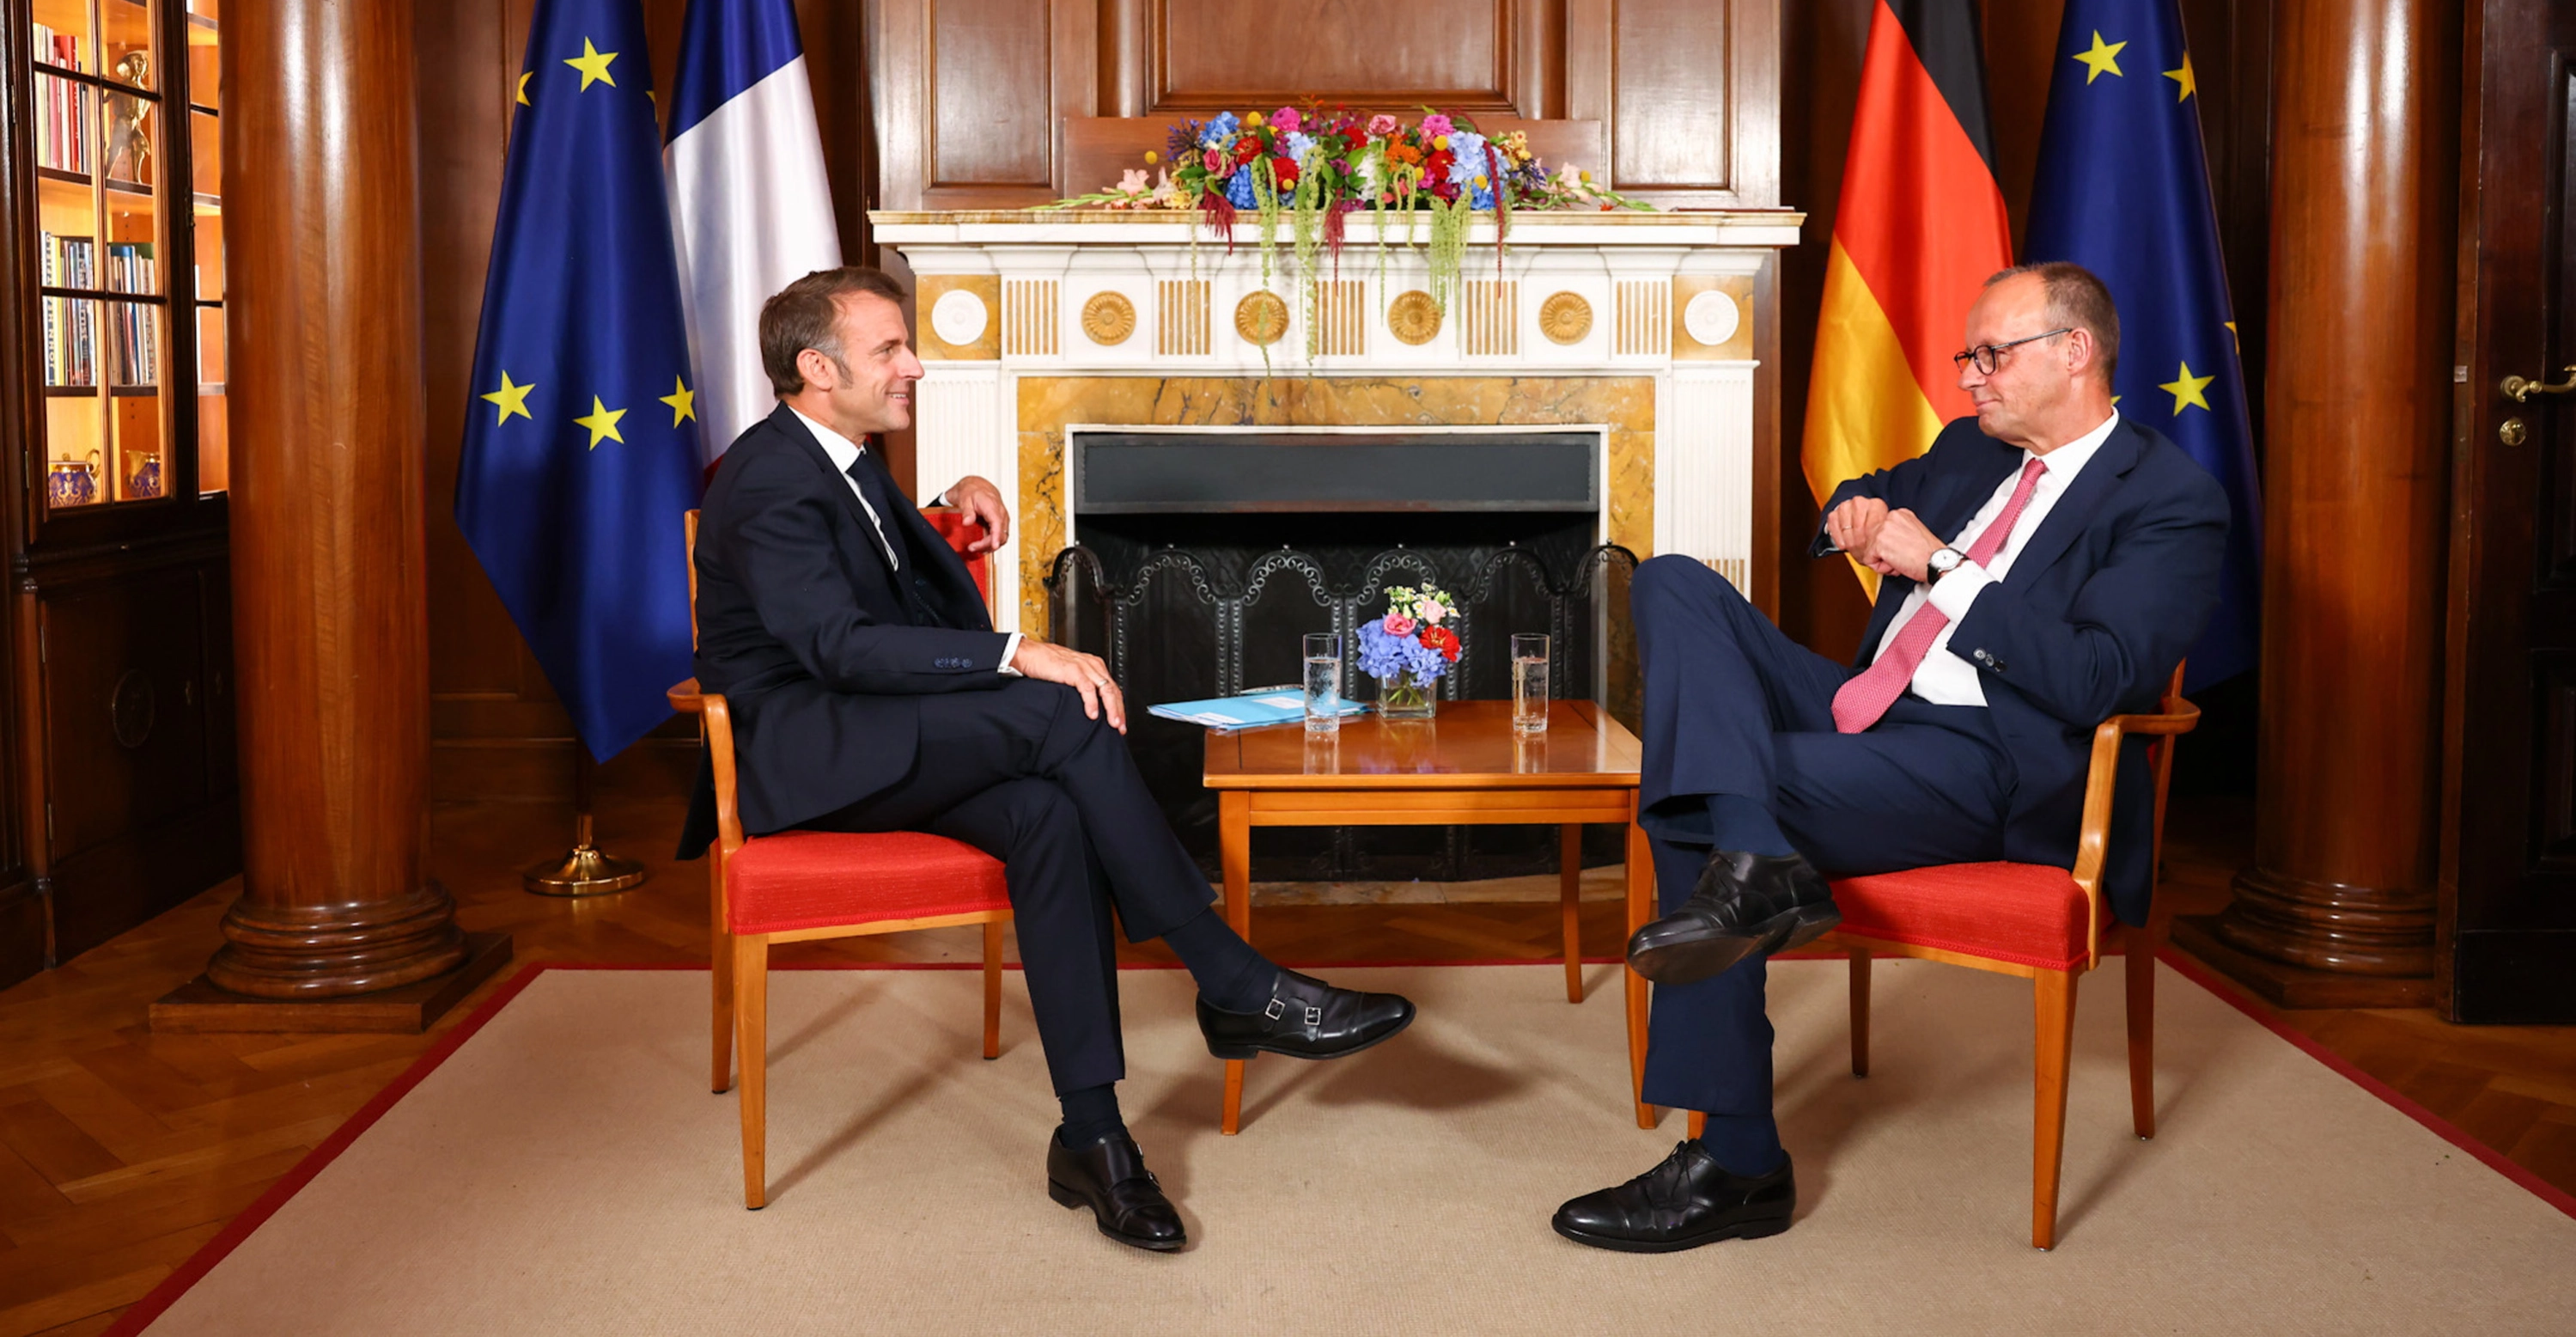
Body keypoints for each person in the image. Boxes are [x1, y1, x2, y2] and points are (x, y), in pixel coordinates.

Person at [683, 266, 1414, 1253]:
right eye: (889, 349)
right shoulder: (763, 476)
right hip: (811, 749)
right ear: (817, 367)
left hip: (885, 732)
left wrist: (950, 499)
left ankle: (1093, 1138)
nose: (915, 365)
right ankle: (1232, 980)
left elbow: (868, 561)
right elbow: (837, 643)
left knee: (1049, 813)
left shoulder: (840, 457)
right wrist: (1014, 649)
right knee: (1057, 711)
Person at [1551, 261, 2226, 1253]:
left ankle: (1736, 1158)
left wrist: (1943, 567)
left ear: (2074, 351)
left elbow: (2094, 678)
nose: (1969, 378)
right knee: (1672, 581)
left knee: (1700, 789)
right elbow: (1875, 492)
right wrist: (1854, 515)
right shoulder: (1969, 449)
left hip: (1988, 760)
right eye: (1967, 357)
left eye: (1990, 355)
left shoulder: (2168, 499)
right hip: (1866, 707)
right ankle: (1756, 860)